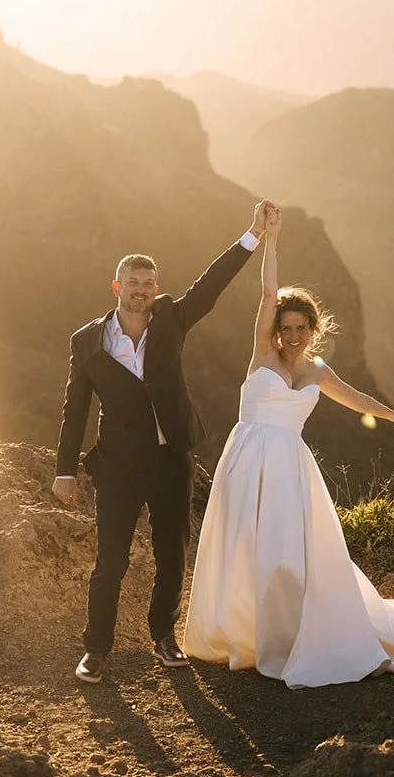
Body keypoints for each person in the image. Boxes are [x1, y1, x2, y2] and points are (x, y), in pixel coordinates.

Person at [184, 206, 394, 687]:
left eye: (301, 328)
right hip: (247, 457)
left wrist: (393, 416)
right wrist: (270, 238)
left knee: (288, 551)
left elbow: (356, 399)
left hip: (290, 465)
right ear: (276, 330)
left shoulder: (318, 372)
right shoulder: (261, 354)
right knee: (242, 543)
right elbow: (269, 292)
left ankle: (290, 633)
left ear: (313, 332)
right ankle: (244, 630)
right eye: (285, 327)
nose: (292, 335)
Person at [54, 202, 274, 684]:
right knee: (109, 561)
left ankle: (162, 636)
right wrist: (65, 469)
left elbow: (210, 285)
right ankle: (96, 649)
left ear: (156, 289)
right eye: (132, 284)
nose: (140, 292)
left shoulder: (172, 318)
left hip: (171, 456)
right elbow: (76, 408)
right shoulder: (87, 342)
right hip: (117, 466)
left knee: (172, 554)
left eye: (148, 285)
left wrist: (252, 236)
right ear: (117, 288)